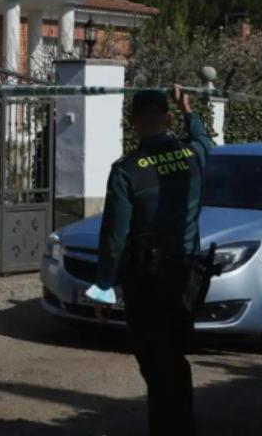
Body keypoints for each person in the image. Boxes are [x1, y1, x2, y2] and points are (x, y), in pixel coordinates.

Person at [86, 84, 212, 435]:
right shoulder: (193, 155)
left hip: (148, 278)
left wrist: (104, 285)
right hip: (188, 273)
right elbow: (204, 140)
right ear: (168, 117)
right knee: (175, 355)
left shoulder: (127, 170)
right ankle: (183, 425)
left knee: (154, 360)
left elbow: (114, 235)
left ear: (133, 121)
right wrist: (188, 109)